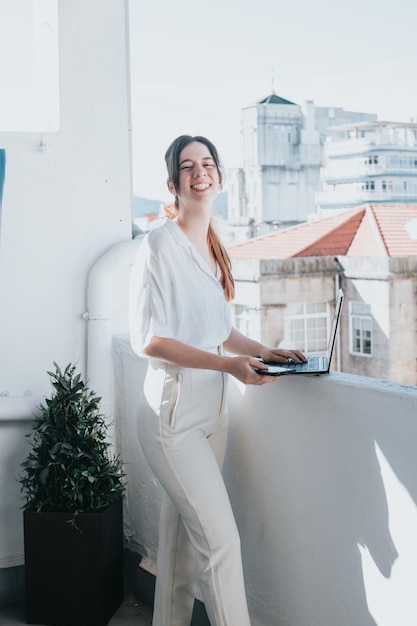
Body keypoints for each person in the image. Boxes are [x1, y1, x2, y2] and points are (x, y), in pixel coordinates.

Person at [129, 135, 306, 626]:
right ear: (173, 183)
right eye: (188, 166)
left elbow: (217, 330)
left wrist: (261, 351)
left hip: (214, 415)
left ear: (220, 178)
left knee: (182, 545)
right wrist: (229, 366)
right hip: (173, 419)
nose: (199, 171)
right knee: (222, 542)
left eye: (207, 163)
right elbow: (150, 340)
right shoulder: (158, 246)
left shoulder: (212, 242)